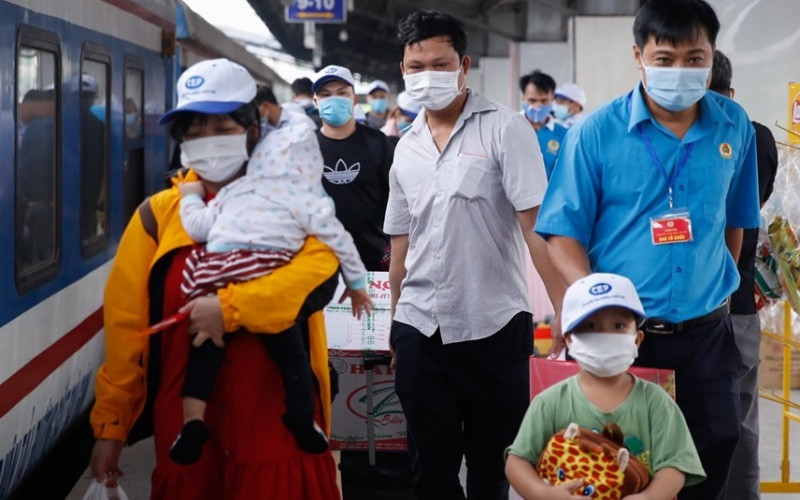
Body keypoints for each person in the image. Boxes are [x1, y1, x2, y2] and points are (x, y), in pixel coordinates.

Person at [534, 1, 760, 498]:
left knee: (714, 447)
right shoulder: (595, 134)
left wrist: (717, 286)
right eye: (665, 58)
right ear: (638, 55)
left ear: (711, 55)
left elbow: (736, 223)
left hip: (708, 335)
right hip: (627, 339)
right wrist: (597, 297)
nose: (680, 70)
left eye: (694, 57)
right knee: (624, 460)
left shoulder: (733, 126)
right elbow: (561, 233)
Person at [88, 58, 341, 499]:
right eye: (195, 130)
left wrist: (228, 309)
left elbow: (317, 273)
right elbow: (126, 330)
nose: (208, 140)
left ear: (254, 130)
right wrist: (112, 425)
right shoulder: (156, 218)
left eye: (222, 127)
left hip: (276, 429)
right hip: (187, 437)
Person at [385, 10, 563, 499]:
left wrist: (565, 307)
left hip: (494, 326)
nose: (427, 77)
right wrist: (395, 324)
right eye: (416, 66)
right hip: (420, 327)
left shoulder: (506, 129)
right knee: (431, 468)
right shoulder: (406, 147)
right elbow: (401, 242)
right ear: (403, 70)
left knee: (494, 465)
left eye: (439, 65)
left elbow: (536, 229)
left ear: (463, 64)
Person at [170, 121, 372, 464]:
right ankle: (300, 416)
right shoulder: (309, 201)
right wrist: (357, 286)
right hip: (266, 277)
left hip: (217, 276)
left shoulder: (235, 191)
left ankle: (192, 422)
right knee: (292, 354)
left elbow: (198, 227)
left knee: (204, 350)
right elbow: (342, 243)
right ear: (311, 166)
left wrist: (189, 196)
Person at [505, 273, 706, 499]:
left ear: (637, 339)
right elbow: (517, 462)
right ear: (569, 339)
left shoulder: (657, 402)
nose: (605, 335)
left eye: (618, 325)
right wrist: (544, 494)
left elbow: (676, 464)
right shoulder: (550, 402)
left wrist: (649, 496)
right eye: (590, 326)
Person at [709, 49, 778, 500]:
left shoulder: (749, 139)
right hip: (736, 305)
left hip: (723, 304)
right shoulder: (758, 137)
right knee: (740, 418)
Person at [313, 64, 395, 271]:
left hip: (374, 257)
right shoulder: (306, 147)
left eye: (342, 93)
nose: (334, 99)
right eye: (325, 94)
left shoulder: (379, 143)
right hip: (319, 258)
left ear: (354, 99)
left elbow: (398, 197)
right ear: (316, 102)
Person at [519, 70, 569, 178]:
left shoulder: (564, 134)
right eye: (532, 100)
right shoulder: (509, 127)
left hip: (549, 193)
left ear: (552, 99)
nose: (538, 106)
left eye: (544, 100)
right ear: (523, 98)